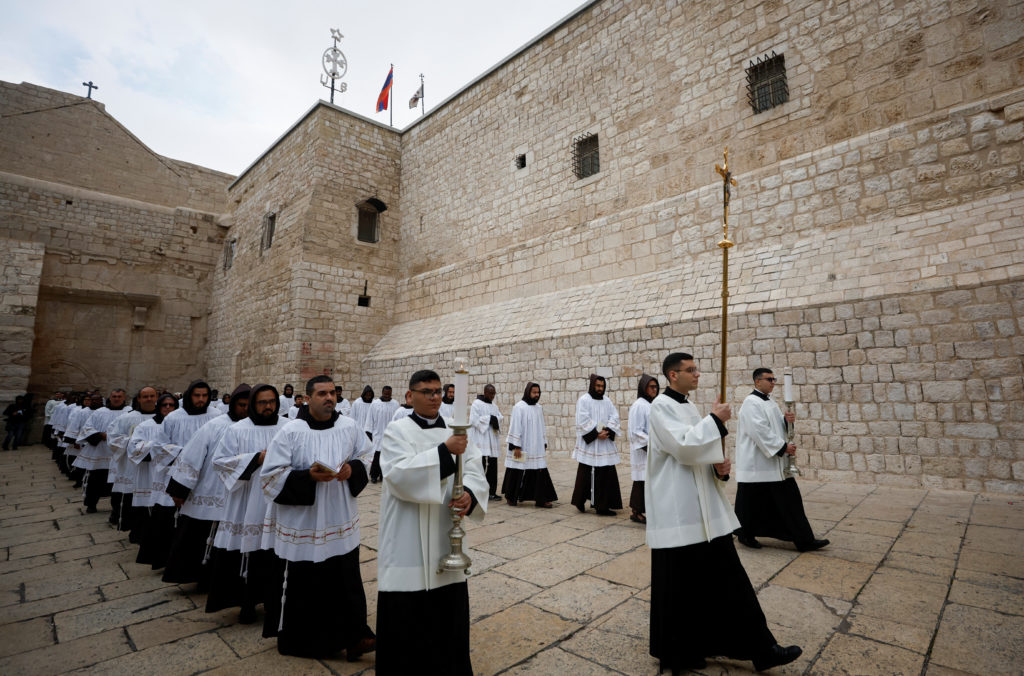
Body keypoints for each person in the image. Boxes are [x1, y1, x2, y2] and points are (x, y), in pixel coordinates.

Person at [646, 352, 801, 673]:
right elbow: (684, 447)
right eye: (690, 370)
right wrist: (716, 419)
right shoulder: (660, 406)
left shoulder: (687, 406)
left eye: (696, 369)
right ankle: (680, 651)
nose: (697, 374)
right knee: (680, 586)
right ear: (672, 375)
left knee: (731, 581)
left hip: (707, 510)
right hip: (679, 510)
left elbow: (699, 450)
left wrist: (719, 468)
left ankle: (762, 648)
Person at [376, 369, 488, 676]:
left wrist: (469, 495)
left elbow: (476, 469)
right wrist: (445, 451)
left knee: (446, 618)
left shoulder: (456, 430)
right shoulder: (396, 431)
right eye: (426, 391)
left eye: (438, 391)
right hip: (406, 542)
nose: (434, 397)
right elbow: (400, 476)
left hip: (444, 539)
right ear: (410, 396)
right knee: (406, 622)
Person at [261, 375, 375, 659]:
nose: (329, 398)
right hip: (304, 522)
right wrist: (307, 477)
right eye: (322, 393)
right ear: (308, 398)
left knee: (345, 580)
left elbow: (367, 456)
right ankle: (301, 642)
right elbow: (270, 477)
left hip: (339, 518)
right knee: (306, 584)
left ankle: (355, 637)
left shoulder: (349, 426)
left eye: (332, 393)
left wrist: (354, 470)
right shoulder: (291, 431)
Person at [208, 384, 288, 624]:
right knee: (251, 552)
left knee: (276, 553)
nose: (268, 406)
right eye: (262, 402)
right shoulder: (237, 430)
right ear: (254, 404)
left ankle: (275, 603)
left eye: (272, 401)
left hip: (279, 501)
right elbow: (220, 462)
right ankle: (248, 602)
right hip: (247, 500)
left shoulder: (288, 428)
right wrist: (256, 458)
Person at [163, 384, 251, 586]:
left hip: (240, 495)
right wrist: (180, 489)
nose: (245, 409)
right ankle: (199, 577)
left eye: (249, 405)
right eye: (241, 405)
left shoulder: (258, 428)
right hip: (211, 488)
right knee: (201, 536)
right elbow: (192, 455)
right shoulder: (215, 424)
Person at [734, 368, 829, 552]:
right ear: (757, 382)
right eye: (769, 379)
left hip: (773, 463)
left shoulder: (770, 401)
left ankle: (803, 539)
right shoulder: (750, 403)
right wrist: (782, 447)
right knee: (750, 504)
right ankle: (745, 534)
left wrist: (786, 421)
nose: (773, 382)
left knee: (789, 500)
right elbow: (758, 430)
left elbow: (776, 428)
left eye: (774, 379)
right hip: (757, 464)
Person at [129, 393, 180, 568]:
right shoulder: (145, 426)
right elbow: (134, 448)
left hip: (176, 475)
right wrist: (159, 448)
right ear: (159, 407)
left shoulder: (181, 423)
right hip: (152, 474)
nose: (168, 408)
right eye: (164, 405)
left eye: (171, 405)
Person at [107, 386, 158, 531]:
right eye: (145, 396)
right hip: (132, 466)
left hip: (155, 466)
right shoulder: (126, 418)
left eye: (152, 396)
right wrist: (133, 444)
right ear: (139, 399)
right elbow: (112, 439)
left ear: (156, 398)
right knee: (133, 499)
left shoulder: (165, 418)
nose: (149, 399)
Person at [571, 375, 623, 515]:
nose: (600, 388)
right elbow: (582, 419)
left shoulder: (607, 401)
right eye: (598, 386)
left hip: (604, 444)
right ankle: (579, 501)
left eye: (602, 386)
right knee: (585, 474)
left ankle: (603, 506)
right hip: (590, 444)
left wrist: (606, 431)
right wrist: (595, 433)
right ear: (592, 385)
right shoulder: (584, 400)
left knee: (606, 473)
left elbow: (615, 417)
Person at [74, 388, 130, 513]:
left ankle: (116, 508)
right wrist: (100, 435)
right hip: (100, 452)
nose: (116, 399)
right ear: (110, 398)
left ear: (124, 398)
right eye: (114, 396)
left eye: (119, 397)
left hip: (119, 454)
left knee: (117, 481)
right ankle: (91, 504)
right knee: (95, 480)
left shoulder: (129, 413)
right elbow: (87, 428)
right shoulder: (99, 412)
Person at [502, 382, 557, 507]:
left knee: (539, 469)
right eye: (534, 392)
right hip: (522, 444)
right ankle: (511, 496)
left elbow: (542, 426)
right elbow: (515, 426)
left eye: (538, 392)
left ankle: (541, 498)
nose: (537, 395)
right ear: (528, 392)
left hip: (536, 444)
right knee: (517, 469)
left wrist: (543, 441)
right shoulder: (519, 407)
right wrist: (516, 445)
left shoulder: (538, 408)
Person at [627, 374, 659, 524]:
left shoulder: (651, 404)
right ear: (643, 387)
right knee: (641, 481)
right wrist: (653, 443)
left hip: (651, 449)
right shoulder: (639, 405)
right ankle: (636, 511)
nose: (654, 389)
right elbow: (636, 431)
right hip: (643, 451)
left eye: (656, 386)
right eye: (651, 387)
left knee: (648, 481)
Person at [469, 384, 502, 500]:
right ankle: (479, 492)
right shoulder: (476, 404)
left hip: (492, 440)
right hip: (481, 439)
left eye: (494, 394)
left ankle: (491, 492)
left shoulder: (494, 406)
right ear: (485, 392)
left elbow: (499, 417)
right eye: (490, 393)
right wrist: (489, 418)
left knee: (493, 466)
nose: (492, 396)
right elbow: (473, 420)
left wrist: (494, 419)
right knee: (480, 465)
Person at [366, 385, 400, 482]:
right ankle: (373, 475)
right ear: (382, 393)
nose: (387, 396)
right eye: (385, 394)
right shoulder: (375, 404)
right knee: (377, 456)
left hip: (390, 434)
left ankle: (383, 475)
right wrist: (369, 432)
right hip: (378, 434)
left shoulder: (395, 404)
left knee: (388, 457)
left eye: (389, 394)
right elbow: (370, 419)